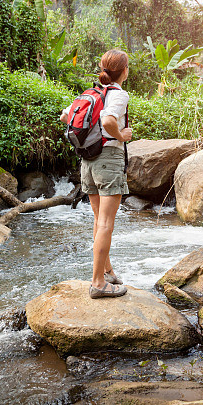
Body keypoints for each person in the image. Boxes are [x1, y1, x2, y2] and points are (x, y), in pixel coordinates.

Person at [61, 49, 133, 299]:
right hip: (108, 159)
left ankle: (107, 271)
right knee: (105, 224)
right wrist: (121, 135)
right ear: (124, 71)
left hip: (88, 161)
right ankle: (98, 283)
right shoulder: (118, 94)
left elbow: (65, 116)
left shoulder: (90, 93)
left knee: (98, 221)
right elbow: (109, 121)